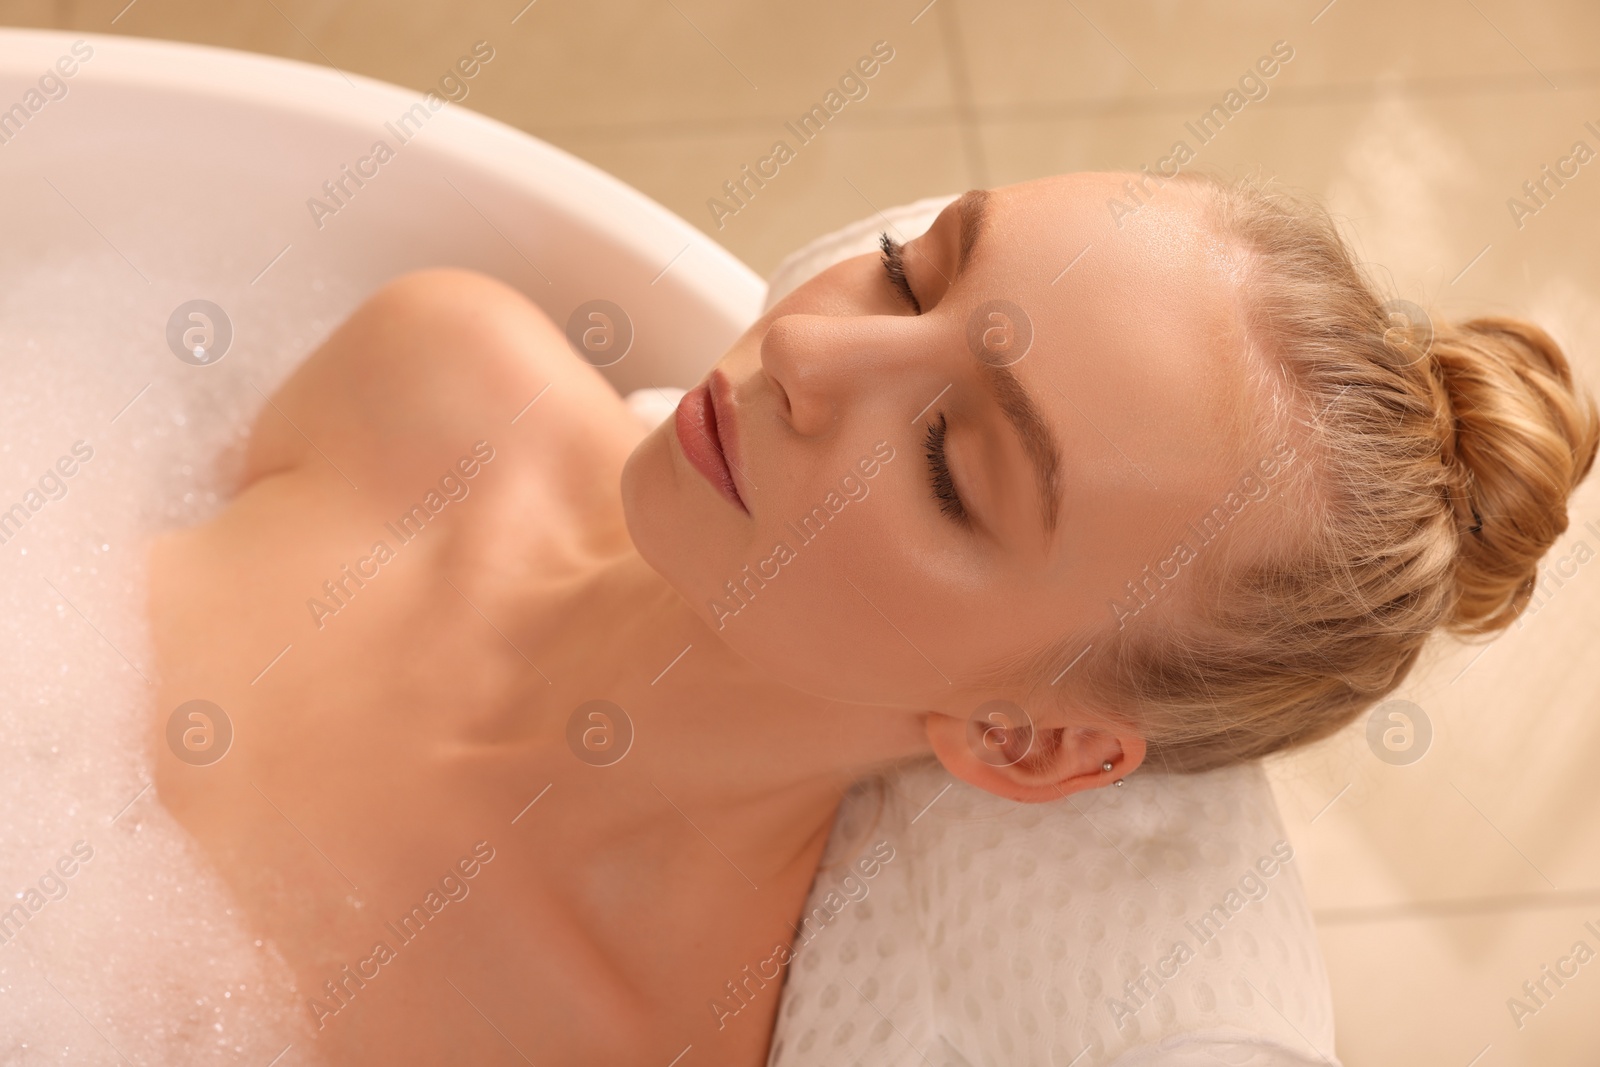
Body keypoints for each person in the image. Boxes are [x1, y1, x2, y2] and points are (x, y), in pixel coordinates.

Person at [146, 171, 1597, 1066]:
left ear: (1023, 740)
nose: (816, 349)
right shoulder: (438, 371)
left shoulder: (610, 1039)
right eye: (918, 269)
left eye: (949, 463)